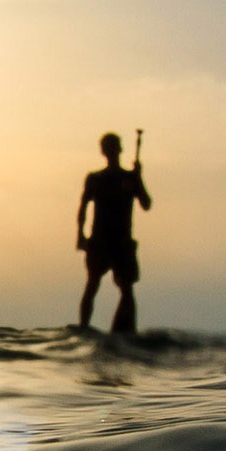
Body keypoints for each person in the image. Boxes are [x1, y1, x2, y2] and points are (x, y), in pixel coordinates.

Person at [77, 133, 152, 333]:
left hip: (122, 243)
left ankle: (127, 332)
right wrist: (80, 236)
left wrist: (139, 177)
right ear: (104, 151)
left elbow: (146, 204)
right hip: (100, 241)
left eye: (114, 146)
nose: (111, 151)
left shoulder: (129, 178)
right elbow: (83, 207)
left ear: (119, 149)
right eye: (108, 147)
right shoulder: (96, 178)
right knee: (92, 285)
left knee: (126, 290)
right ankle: (83, 328)